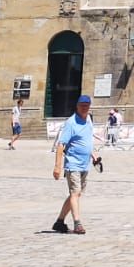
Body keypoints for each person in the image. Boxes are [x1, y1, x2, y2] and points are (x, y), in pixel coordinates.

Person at [52, 93, 98, 233]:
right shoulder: (71, 123)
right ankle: (77, 223)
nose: (84, 108)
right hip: (73, 164)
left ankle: (59, 222)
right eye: (82, 105)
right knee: (75, 193)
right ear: (77, 106)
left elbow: (86, 140)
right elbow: (61, 145)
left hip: (85, 164)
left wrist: (93, 154)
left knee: (75, 194)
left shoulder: (88, 119)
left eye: (86, 106)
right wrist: (57, 167)